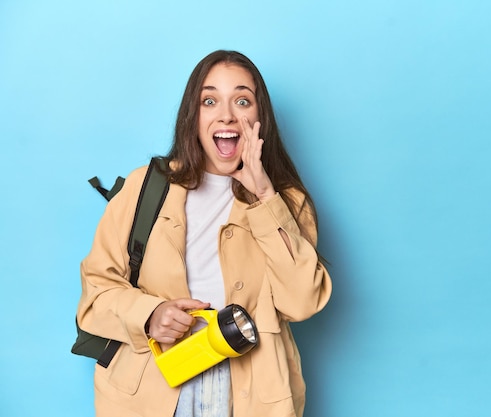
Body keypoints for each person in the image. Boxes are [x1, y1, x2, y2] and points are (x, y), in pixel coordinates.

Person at [76, 50, 332, 417]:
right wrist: (150, 314)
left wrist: (264, 197)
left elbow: (302, 302)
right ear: (193, 117)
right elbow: (95, 294)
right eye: (209, 100)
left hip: (250, 390)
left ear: (261, 119)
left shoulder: (287, 203)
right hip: (154, 385)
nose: (226, 114)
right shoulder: (143, 188)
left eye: (242, 100)